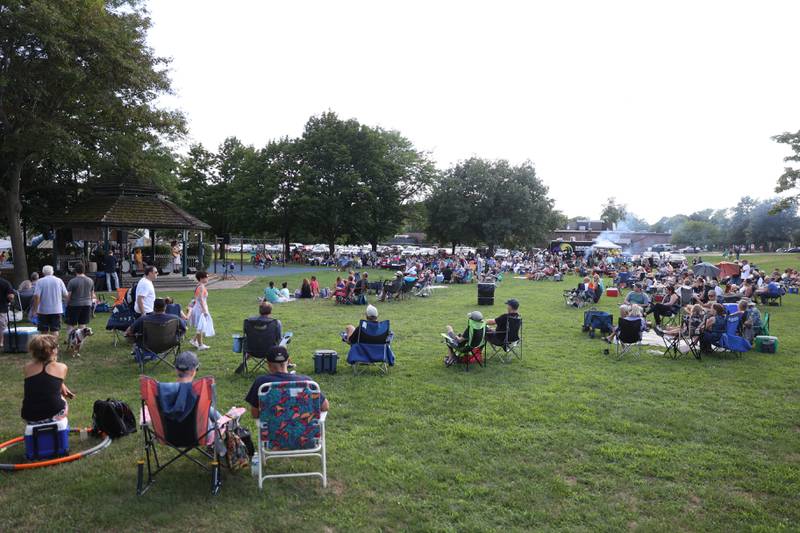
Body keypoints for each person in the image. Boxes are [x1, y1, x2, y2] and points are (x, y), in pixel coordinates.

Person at [244, 345, 329, 419]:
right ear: (288, 361)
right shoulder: (306, 382)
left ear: (268, 364)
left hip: (272, 435)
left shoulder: (261, 383)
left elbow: (255, 414)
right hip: (305, 435)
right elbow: (325, 406)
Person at [21, 334, 74, 423]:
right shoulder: (62, 367)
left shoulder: (27, 368)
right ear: (53, 351)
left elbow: (43, 379)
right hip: (55, 414)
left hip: (29, 416)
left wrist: (62, 385)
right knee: (61, 398)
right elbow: (53, 379)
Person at [30, 265, 68, 335]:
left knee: (44, 330)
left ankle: (45, 345)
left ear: (43, 272)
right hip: (57, 310)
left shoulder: (40, 281)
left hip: (43, 310)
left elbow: (37, 296)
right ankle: (54, 345)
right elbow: (66, 294)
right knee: (55, 330)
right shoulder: (59, 281)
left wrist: (34, 310)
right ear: (52, 272)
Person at [65, 262, 96, 336]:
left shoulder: (72, 281)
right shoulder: (90, 280)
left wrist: (66, 304)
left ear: (75, 270)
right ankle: (80, 340)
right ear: (84, 270)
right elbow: (92, 295)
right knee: (82, 324)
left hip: (74, 305)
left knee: (71, 324)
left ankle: (69, 339)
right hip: (87, 304)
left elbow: (68, 296)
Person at [189, 271, 214, 351]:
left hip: (199, 308)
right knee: (201, 327)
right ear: (201, 278)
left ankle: (194, 340)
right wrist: (204, 310)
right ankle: (200, 345)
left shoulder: (200, 286)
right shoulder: (201, 287)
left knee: (201, 326)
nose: (207, 278)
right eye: (206, 277)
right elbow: (201, 299)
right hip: (200, 309)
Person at [0, 274, 15, 350]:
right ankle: (1, 342)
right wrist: (11, 300)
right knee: (2, 326)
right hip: (2, 308)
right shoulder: (5, 283)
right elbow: (10, 296)